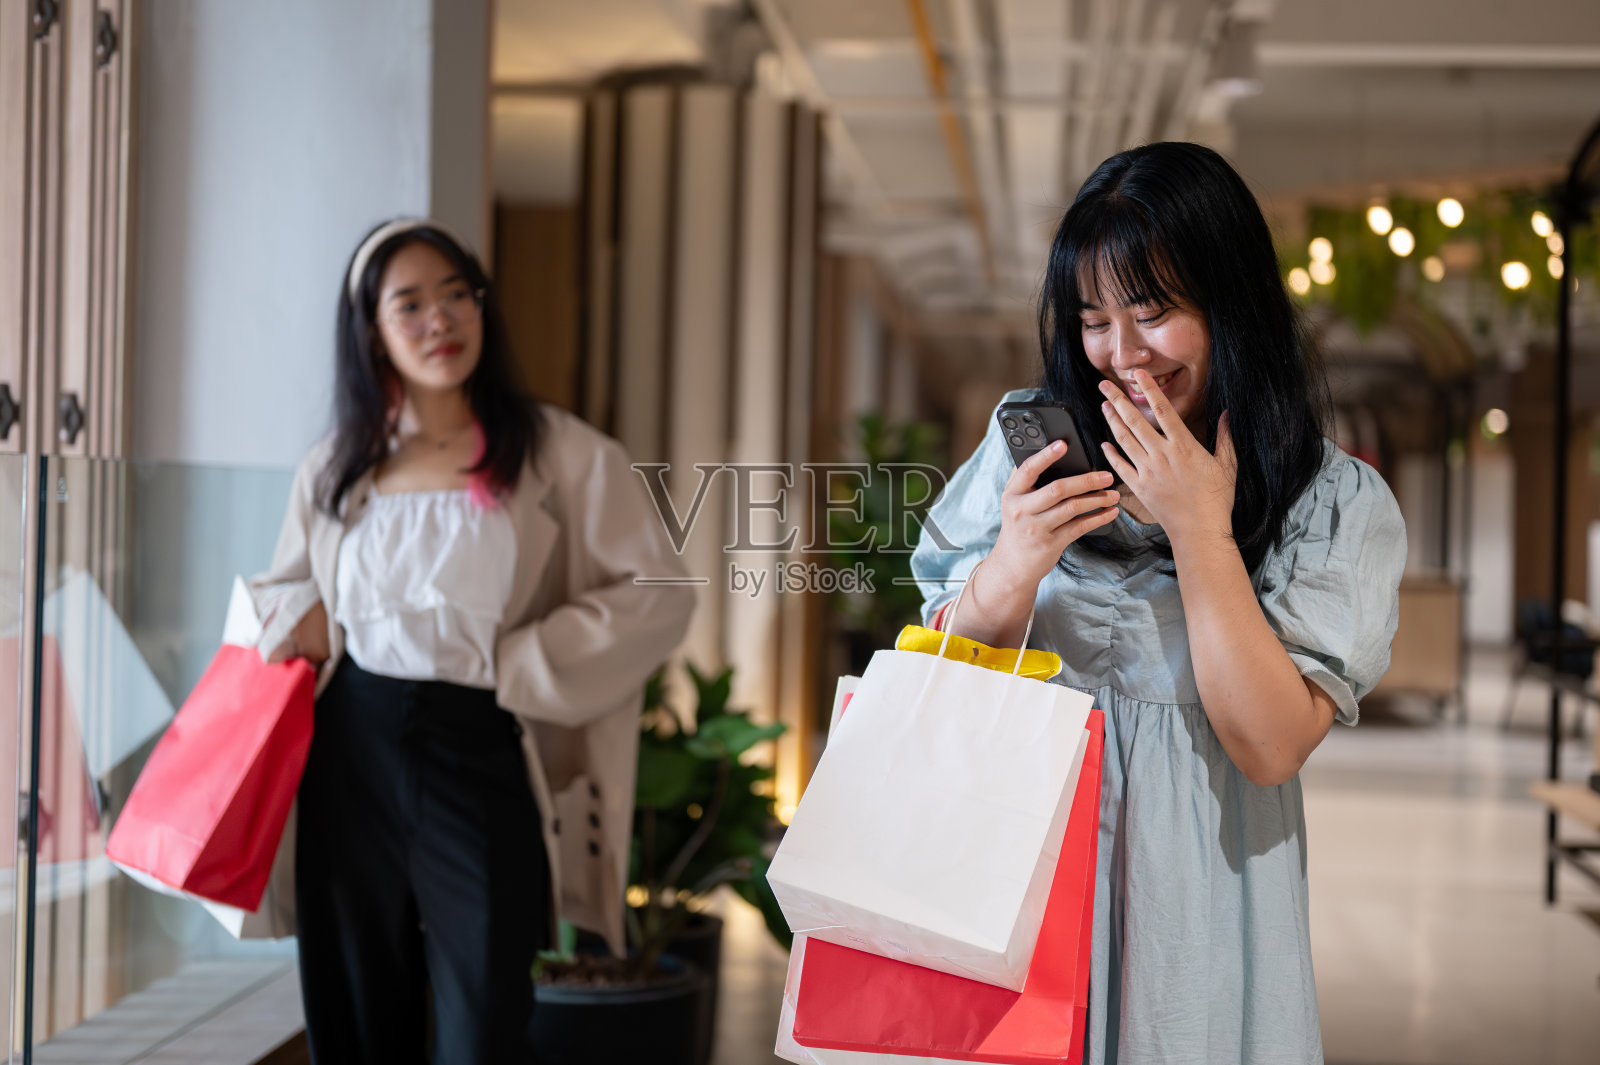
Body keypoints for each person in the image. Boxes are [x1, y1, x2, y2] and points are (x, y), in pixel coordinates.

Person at [910, 143, 1405, 1065]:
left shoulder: (1330, 502)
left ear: (1233, 304)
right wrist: (1016, 560)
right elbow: (947, 675)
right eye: (1094, 318)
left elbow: (1268, 745)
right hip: (1016, 878)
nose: (1121, 353)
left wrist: (1201, 533)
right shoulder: (1027, 447)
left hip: (1199, 909)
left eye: (1154, 311)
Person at [248, 218, 696, 1063]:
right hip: (351, 750)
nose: (439, 320)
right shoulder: (338, 464)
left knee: (483, 1012)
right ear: (371, 332)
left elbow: (660, 590)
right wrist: (293, 622)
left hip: (483, 744)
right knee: (354, 1003)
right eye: (409, 304)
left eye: (456, 295)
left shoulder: (555, 450)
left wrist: (523, 660)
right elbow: (285, 592)